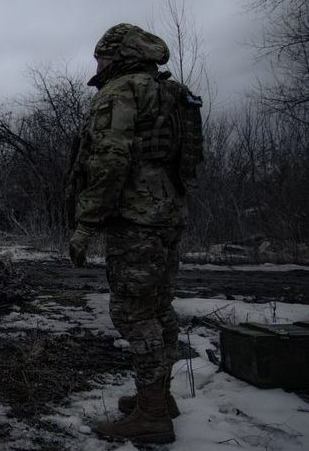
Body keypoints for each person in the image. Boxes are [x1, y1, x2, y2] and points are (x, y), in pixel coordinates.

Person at [68, 23, 202, 444]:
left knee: (133, 313)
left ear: (119, 55)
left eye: (101, 57)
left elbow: (109, 161)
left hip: (136, 219)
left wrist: (86, 223)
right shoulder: (170, 91)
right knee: (160, 307)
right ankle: (158, 398)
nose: (98, 64)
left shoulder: (120, 91)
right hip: (170, 214)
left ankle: (151, 416)